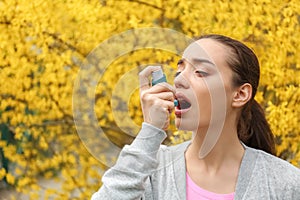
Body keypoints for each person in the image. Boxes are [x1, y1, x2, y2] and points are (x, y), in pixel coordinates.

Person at [91, 34, 300, 200]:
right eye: (180, 69)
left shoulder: (285, 183)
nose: (180, 79)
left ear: (240, 94)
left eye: (200, 72)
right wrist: (150, 132)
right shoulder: (151, 170)